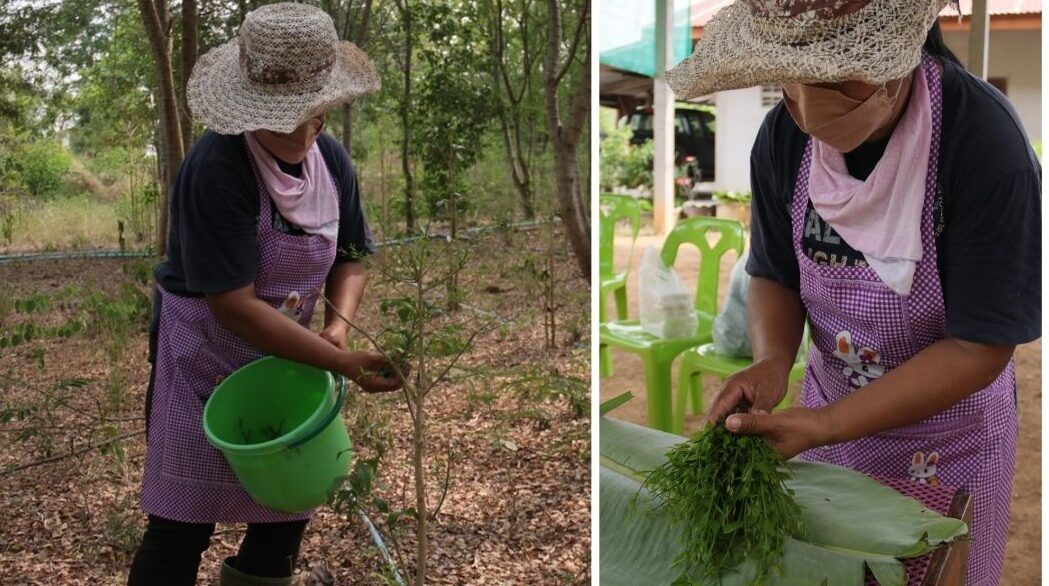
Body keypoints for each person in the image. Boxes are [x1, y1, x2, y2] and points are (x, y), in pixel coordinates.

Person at [666, 1, 1040, 584]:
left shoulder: (981, 143)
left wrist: (830, 422)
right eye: (791, 76)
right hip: (825, 416)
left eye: (837, 77)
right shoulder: (781, 140)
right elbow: (773, 272)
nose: (808, 103)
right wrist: (771, 361)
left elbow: (979, 347)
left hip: (950, 440)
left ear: (896, 56)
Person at [127, 4, 402, 585]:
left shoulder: (328, 161)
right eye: (287, 118)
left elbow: (352, 253)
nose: (307, 129)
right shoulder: (217, 168)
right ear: (251, 113)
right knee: (182, 523)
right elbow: (233, 305)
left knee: (287, 507)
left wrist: (338, 329)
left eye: (315, 114)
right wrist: (339, 362)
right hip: (204, 356)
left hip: (293, 357)